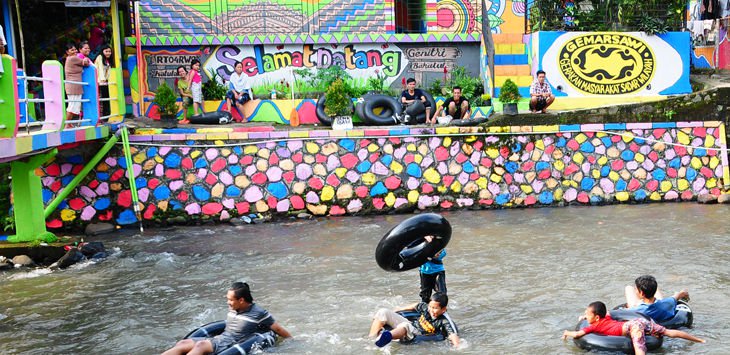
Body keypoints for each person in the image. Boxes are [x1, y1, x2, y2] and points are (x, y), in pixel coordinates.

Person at [162, 282, 291, 355]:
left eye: (230, 300)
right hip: (221, 338)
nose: (228, 302)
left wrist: (292, 340)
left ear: (241, 300)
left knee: (200, 346)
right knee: (183, 343)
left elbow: (278, 329)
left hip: (232, 342)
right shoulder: (234, 308)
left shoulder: (259, 313)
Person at [561, 301, 704, 355]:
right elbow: (609, 313)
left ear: (596, 317)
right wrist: (584, 317)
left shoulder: (593, 328)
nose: (585, 315)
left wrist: (567, 332)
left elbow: (579, 334)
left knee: (639, 351)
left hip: (634, 328)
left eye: (587, 314)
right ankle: (698, 340)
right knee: (669, 332)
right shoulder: (607, 317)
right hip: (638, 322)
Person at [368, 293, 460, 348]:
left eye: (435, 308)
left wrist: (457, 347)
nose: (431, 310)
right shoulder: (426, 308)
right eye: (430, 307)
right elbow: (414, 306)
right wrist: (398, 309)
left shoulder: (444, 320)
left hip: (419, 333)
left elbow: (452, 334)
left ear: (443, 309)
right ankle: (371, 338)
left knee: (405, 326)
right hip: (413, 324)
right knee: (383, 312)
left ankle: (388, 336)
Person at [624, 275, 690, 323]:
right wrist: (685, 293)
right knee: (657, 293)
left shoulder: (635, 310)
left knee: (628, 287)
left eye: (636, 289)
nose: (635, 291)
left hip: (642, 311)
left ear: (641, 293)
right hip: (658, 307)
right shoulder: (667, 303)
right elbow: (678, 295)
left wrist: (626, 308)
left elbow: (619, 314)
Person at [64, 43, 90, 123]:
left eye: (75, 49)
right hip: (73, 85)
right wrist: (84, 60)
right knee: (72, 106)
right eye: (72, 50)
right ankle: (66, 123)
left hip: (74, 85)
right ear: (67, 52)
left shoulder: (71, 58)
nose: (75, 51)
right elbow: (86, 62)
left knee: (74, 105)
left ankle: (69, 123)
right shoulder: (72, 58)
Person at [419, 235, 447, 303]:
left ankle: (443, 308)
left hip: (438, 271)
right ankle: (425, 307)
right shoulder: (420, 241)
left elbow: (443, 253)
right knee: (425, 294)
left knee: (441, 292)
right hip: (425, 271)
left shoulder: (438, 243)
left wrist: (436, 254)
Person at [94, 44, 113, 118]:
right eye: (106, 51)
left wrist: (108, 79)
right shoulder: (100, 57)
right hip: (99, 81)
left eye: (109, 51)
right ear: (102, 51)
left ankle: (106, 115)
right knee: (102, 98)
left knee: (106, 98)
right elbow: (100, 70)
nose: (108, 53)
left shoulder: (107, 59)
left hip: (105, 81)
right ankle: (102, 116)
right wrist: (102, 80)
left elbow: (109, 71)